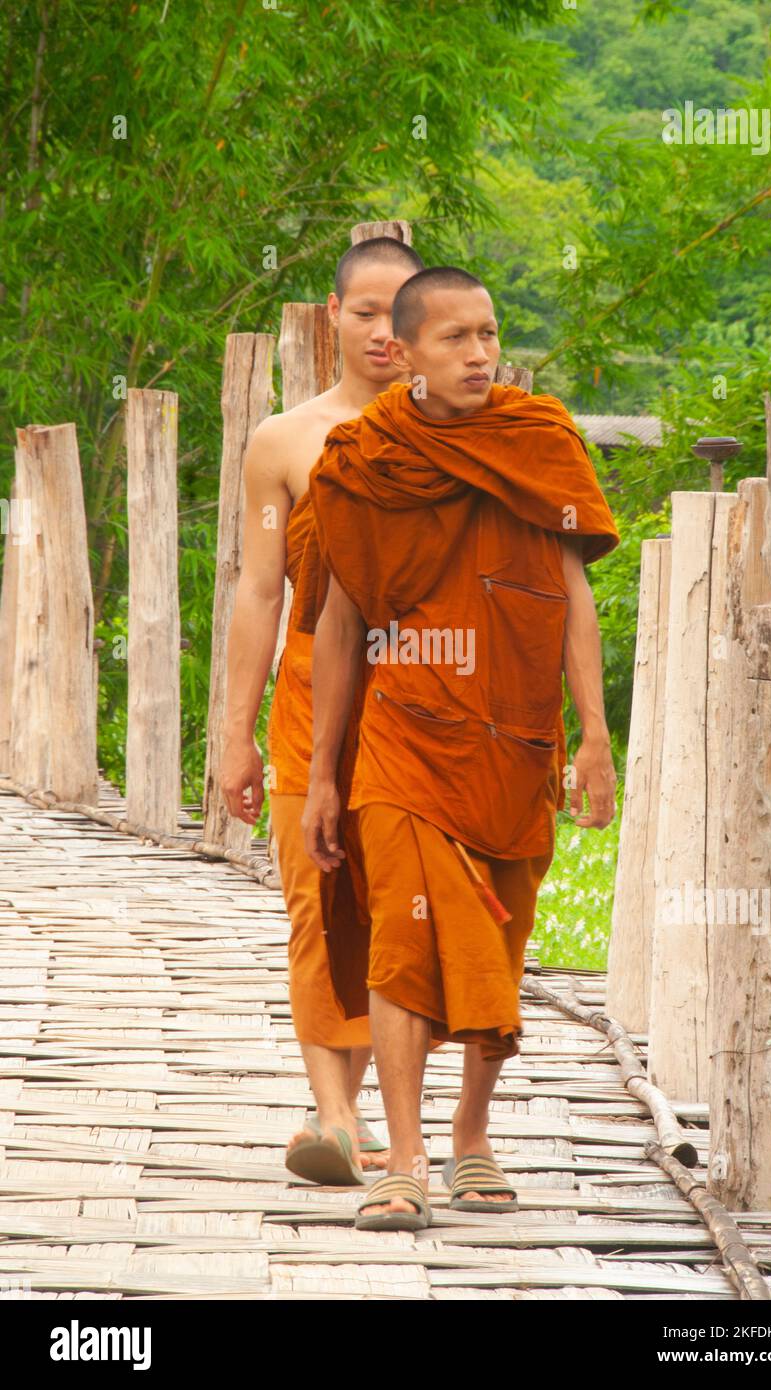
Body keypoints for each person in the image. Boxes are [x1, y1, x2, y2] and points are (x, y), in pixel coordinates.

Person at [300, 266, 621, 1230]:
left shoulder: (539, 444)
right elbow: (341, 616)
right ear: (403, 352)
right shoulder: (363, 459)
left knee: (500, 938)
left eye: (488, 334)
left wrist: (595, 734)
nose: (480, 355)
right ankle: (401, 1158)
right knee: (403, 942)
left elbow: (571, 594)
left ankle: (472, 1133)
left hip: (514, 737)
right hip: (403, 735)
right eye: (456, 340)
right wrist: (322, 772)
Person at [221, 236, 425, 1186]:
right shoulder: (285, 440)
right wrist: (232, 736)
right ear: (331, 317)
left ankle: (412, 1130)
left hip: (425, 688)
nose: (384, 334)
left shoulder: (461, 430)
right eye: (365, 313)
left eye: (401, 314)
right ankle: (336, 1121)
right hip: (310, 692)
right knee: (317, 900)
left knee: (403, 906)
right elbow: (261, 591)